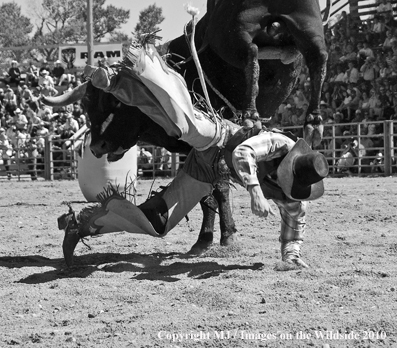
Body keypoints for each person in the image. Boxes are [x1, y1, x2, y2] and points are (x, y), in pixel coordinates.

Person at [58, 40, 328, 268]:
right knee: (184, 122)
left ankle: (82, 224)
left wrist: (292, 258)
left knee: (157, 224)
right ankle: (124, 77)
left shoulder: (295, 199)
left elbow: (293, 237)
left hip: (205, 171)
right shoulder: (279, 143)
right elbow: (243, 153)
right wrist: (256, 190)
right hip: (219, 139)